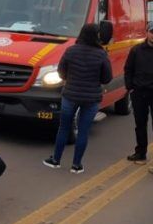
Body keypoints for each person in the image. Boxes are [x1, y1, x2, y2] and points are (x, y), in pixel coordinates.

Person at [43, 23, 112, 173]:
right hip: (91, 98)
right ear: (96, 36)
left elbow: (61, 73)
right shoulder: (101, 54)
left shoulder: (71, 51)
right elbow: (107, 78)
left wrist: (72, 79)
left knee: (64, 128)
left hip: (70, 95)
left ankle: (55, 160)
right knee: (83, 131)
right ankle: (76, 165)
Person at [124, 21, 153, 170]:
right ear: (147, 32)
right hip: (139, 93)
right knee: (140, 124)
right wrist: (131, 87)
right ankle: (140, 153)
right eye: (152, 31)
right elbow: (128, 69)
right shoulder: (136, 50)